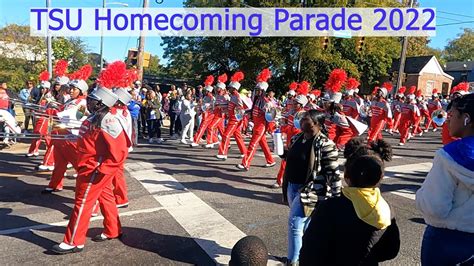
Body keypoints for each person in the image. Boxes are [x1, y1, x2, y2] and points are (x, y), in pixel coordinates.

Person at [51, 85, 127, 254]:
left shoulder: (109, 120)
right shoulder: (95, 117)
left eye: (93, 100)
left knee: (82, 203)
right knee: (106, 197)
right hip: (89, 165)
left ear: (101, 103)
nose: (89, 102)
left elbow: (119, 151)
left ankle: (74, 241)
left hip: (94, 168)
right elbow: (88, 137)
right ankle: (112, 229)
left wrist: (102, 169)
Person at [300, 138, 400, 265]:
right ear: (380, 177)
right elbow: (391, 250)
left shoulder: (330, 208)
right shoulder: (386, 208)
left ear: (346, 175)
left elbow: (310, 254)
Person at [416, 93, 474, 266]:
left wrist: (421, 196)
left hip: (447, 239)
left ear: (466, 119)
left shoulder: (448, 156)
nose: (448, 120)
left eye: (453, 115)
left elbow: (435, 208)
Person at [282, 109, 340, 264]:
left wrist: (337, 197)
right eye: (301, 118)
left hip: (310, 190)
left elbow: (334, 173)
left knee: (295, 223)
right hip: (292, 187)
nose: (301, 121)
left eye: (306, 119)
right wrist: (284, 153)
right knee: (305, 225)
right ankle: (307, 257)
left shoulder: (326, 144)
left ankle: (293, 261)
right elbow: (292, 158)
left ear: (318, 124)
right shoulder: (297, 138)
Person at [237, 69, 276, 171]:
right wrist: (246, 112)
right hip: (256, 125)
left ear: (263, 91)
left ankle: (245, 163)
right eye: (256, 90)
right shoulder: (257, 100)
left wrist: (270, 107)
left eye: (259, 90)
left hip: (261, 126)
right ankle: (270, 160)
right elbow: (253, 111)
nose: (257, 92)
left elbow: (270, 114)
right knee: (263, 143)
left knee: (252, 144)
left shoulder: (265, 101)